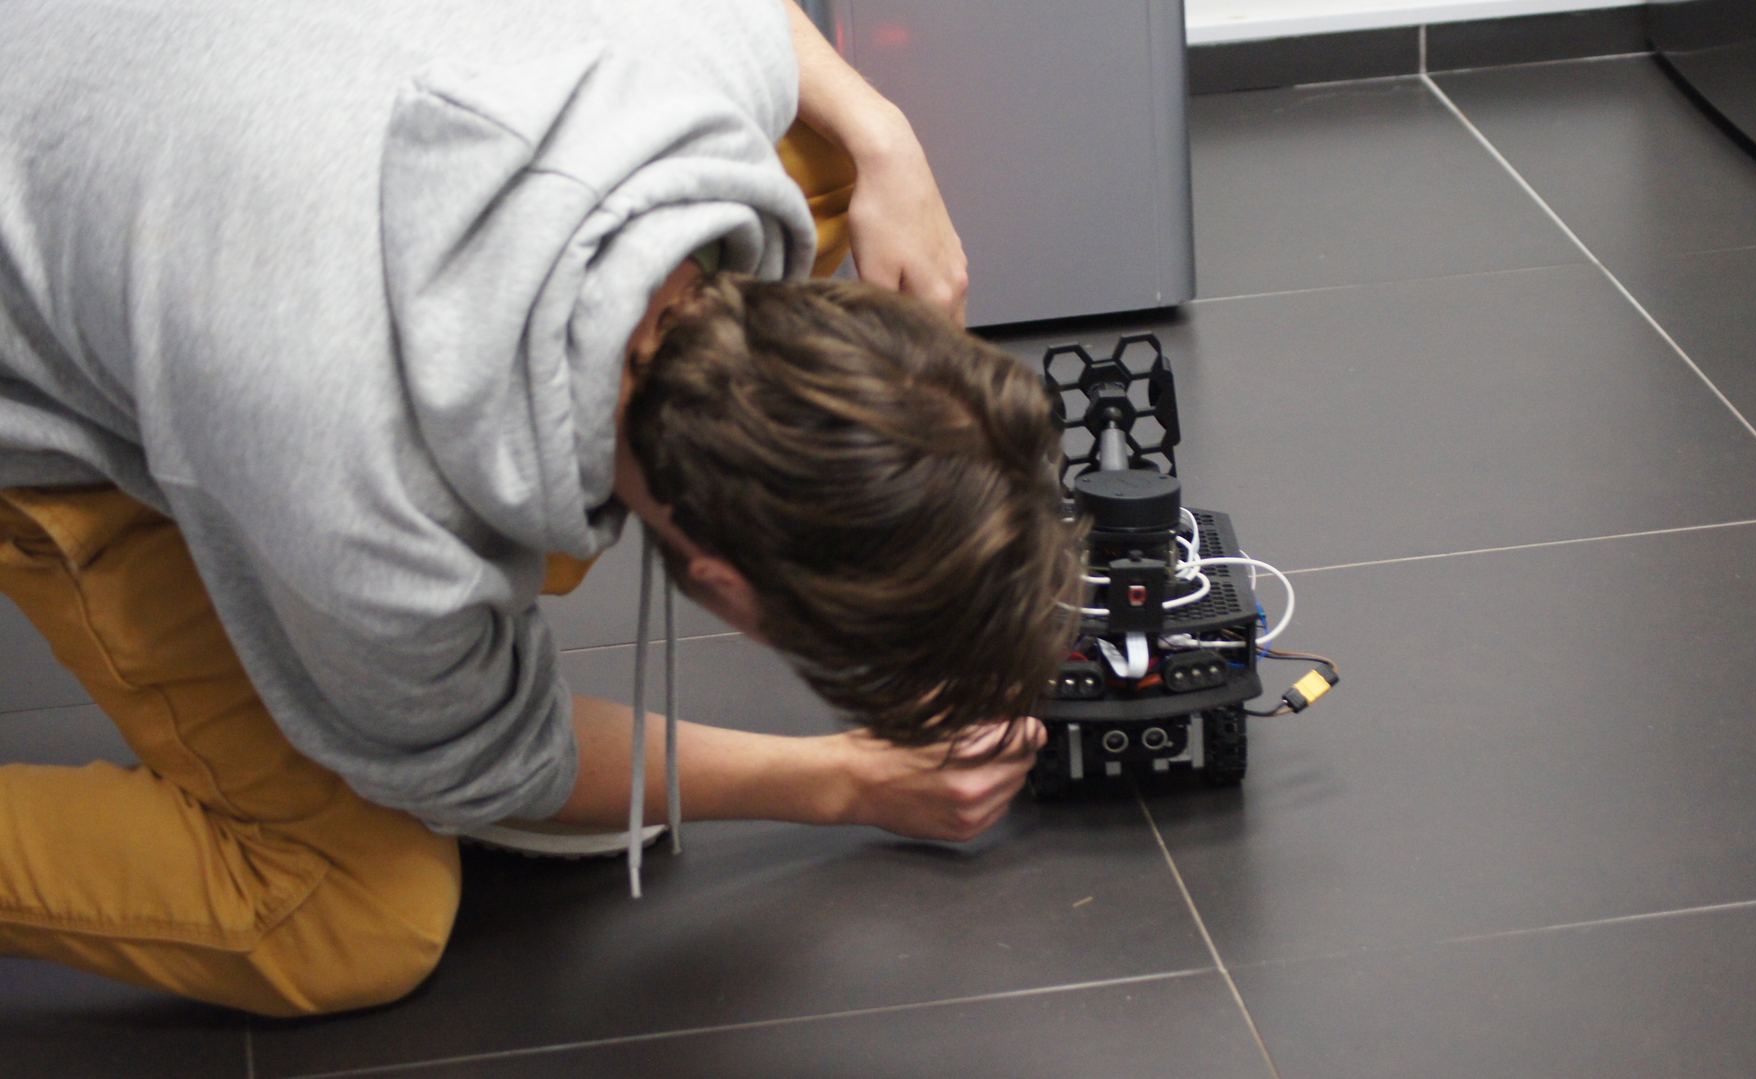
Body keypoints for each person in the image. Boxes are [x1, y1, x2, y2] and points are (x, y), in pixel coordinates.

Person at [0, 0, 1079, 1017]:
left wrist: (885, 135)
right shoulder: (373, 521)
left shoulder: (684, 71)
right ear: (722, 584)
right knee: (352, 912)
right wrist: (844, 781)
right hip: (55, 348)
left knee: (828, 155)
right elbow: (492, 762)